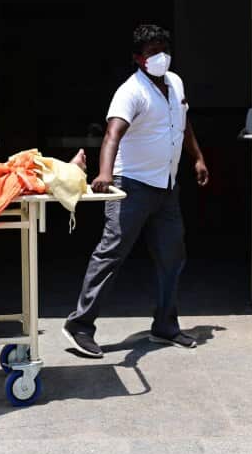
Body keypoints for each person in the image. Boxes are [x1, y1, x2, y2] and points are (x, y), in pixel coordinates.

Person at [62, 24, 209, 358]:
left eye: (163, 48)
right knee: (111, 254)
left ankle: (166, 327)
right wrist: (104, 173)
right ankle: (80, 325)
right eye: (151, 51)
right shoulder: (131, 92)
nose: (160, 56)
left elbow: (182, 124)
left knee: (173, 257)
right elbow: (113, 134)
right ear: (138, 59)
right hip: (131, 186)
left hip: (166, 187)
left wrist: (198, 158)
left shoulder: (175, 83)